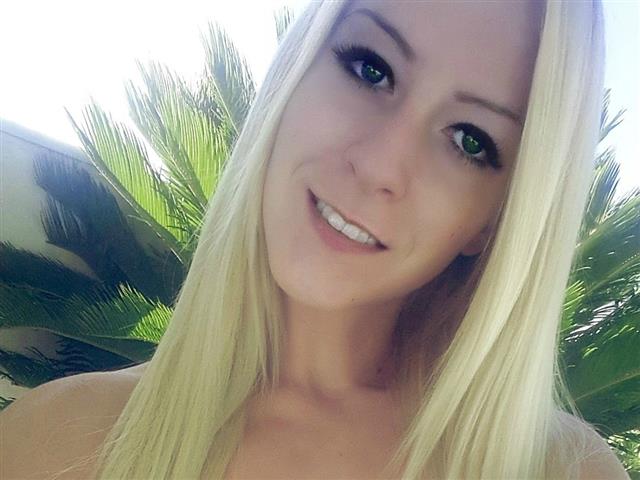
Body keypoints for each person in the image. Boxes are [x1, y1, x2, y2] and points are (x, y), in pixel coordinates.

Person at [8, 0, 627, 478]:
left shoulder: (562, 470)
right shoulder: (53, 441)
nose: (380, 165)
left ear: (494, 221)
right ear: (295, 71)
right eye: (371, 68)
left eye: (470, 140)